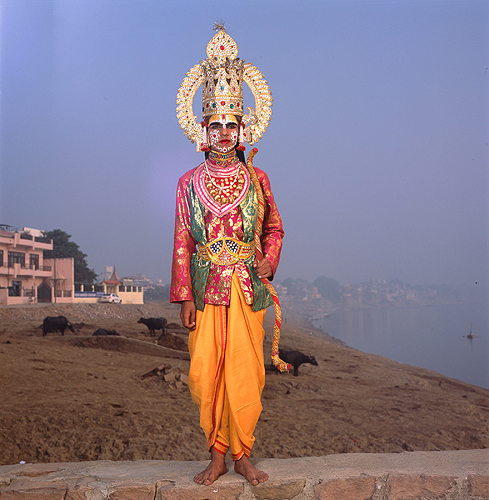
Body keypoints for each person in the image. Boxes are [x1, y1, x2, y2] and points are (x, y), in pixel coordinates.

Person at [171, 25, 284, 486]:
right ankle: (216, 455)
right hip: (206, 287)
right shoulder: (187, 183)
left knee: (245, 373)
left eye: (230, 125)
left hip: (246, 289)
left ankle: (242, 455)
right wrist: (184, 297)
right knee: (205, 375)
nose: (222, 132)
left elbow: (274, 228)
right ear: (203, 128)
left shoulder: (258, 180)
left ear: (243, 128)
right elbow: (182, 239)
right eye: (214, 125)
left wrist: (268, 260)